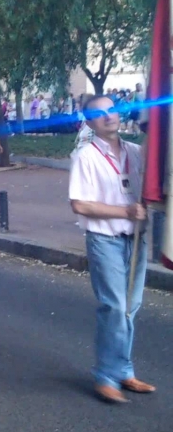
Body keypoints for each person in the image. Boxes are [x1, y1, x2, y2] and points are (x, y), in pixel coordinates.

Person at [69, 95, 154, 404]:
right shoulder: (86, 156)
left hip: (135, 240)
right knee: (114, 307)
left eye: (112, 110)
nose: (108, 116)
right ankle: (106, 376)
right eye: (99, 114)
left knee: (130, 307)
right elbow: (78, 204)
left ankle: (124, 371)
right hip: (105, 239)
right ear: (90, 122)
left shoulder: (135, 152)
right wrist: (125, 212)